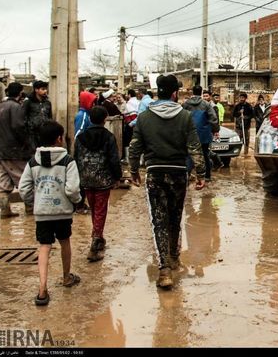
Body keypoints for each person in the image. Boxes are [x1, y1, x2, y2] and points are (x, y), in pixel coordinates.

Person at [129, 74, 206, 290]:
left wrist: (134, 170)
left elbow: (135, 147)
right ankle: (173, 257)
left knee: (158, 219)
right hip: (178, 173)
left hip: (154, 172)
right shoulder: (185, 116)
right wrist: (201, 174)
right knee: (175, 217)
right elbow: (194, 147)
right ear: (174, 93)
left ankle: (164, 269)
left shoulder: (144, 117)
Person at [18, 120, 82, 306]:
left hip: (42, 213)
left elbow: (23, 189)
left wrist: (34, 202)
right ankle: (66, 277)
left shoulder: (33, 162)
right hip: (62, 212)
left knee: (44, 247)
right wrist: (77, 201)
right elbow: (72, 190)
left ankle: (42, 289)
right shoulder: (68, 161)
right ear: (59, 139)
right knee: (65, 243)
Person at [74, 106, 122, 262]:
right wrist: (117, 177)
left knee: (94, 208)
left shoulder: (80, 137)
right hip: (103, 180)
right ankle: (96, 240)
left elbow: (76, 158)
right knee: (100, 209)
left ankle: (98, 235)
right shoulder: (108, 137)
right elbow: (114, 160)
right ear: (104, 119)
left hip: (86, 179)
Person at [0, 82, 32, 218]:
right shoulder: (16, 107)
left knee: (2, 183)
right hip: (15, 152)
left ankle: (5, 211)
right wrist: (27, 144)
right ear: (20, 93)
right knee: (25, 180)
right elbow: (19, 127)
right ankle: (30, 210)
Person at [183, 85, 220, 181]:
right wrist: (216, 130)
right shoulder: (206, 104)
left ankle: (187, 174)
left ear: (192, 92)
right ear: (201, 92)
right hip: (204, 135)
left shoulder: (186, 104)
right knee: (205, 155)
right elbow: (213, 119)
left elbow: (181, 118)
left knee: (189, 155)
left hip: (190, 134)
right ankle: (207, 176)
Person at [23, 80, 52, 154]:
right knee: (33, 154)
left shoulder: (47, 103)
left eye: (46, 89)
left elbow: (49, 117)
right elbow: (23, 116)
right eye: (43, 89)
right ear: (36, 90)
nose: (45, 91)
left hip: (44, 132)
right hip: (32, 133)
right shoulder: (28, 102)